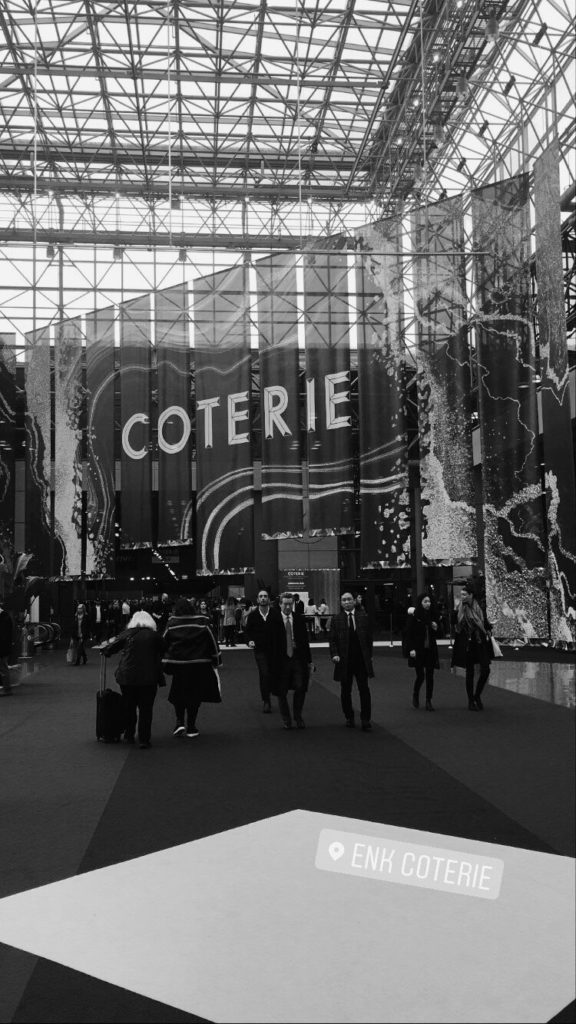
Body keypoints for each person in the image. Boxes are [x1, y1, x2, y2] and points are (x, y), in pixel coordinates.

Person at [101, 610, 165, 748]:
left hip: (127, 677)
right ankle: (144, 739)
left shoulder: (127, 633)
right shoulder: (155, 636)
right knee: (146, 709)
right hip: (149, 677)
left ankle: (129, 735)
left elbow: (109, 649)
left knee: (129, 706)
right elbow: (165, 650)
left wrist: (106, 651)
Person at [163, 597, 222, 738]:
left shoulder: (172, 622)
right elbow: (212, 641)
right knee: (195, 695)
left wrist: (163, 661)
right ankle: (191, 726)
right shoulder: (202, 621)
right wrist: (217, 659)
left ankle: (179, 722)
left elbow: (164, 641)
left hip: (179, 665)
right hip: (199, 664)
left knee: (178, 694)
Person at [329, 592, 374, 731]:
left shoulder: (363, 617)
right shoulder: (336, 619)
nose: (347, 602)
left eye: (349, 599)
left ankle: (365, 719)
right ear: (341, 603)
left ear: (354, 601)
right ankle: (349, 716)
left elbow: (369, 639)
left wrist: (370, 655)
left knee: (364, 690)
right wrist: (335, 654)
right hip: (344, 660)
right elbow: (332, 640)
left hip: (361, 660)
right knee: (345, 691)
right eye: (344, 600)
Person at [269, 592, 313, 729]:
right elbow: (270, 643)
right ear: (280, 604)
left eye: (290, 604)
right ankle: (286, 719)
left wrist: (309, 661)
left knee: (300, 687)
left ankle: (298, 716)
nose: (288, 607)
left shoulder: (299, 619)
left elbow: (305, 641)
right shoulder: (273, 620)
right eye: (285, 604)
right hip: (280, 660)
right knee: (281, 691)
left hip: (297, 658)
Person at [451, 582, 493, 711]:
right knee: (469, 672)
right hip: (467, 643)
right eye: (461, 594)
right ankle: (470, 701)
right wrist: (457, 614)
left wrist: (488, 628)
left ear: (471, 595)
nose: (462, 597)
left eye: (464, 594)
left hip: (479, 642)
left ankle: (477, 695)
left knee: (486, 670)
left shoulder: (479, 607)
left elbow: (484, 622)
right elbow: (455, 625)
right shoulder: (459, 608)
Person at [407, 593, 440, 711]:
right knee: (420, 675)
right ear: (420, 603)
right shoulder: (415, 616)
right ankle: (416, 694)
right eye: (425, 601)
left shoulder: (433, 615)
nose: (428, 604)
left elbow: (438, 634)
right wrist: (411, 649)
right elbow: (408, 634)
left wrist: (436, 628)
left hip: (430, 649)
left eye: (429, 601)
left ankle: (428, 700)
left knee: (430, 675)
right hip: (418, 649)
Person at [245, 588, 275, 713]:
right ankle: (266, 700)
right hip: (260, 650)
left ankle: (274, 694)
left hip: (274, 650)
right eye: (261, 596)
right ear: (257, 599)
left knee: (273, 674)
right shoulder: (252, 615)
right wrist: (249, 640)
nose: (263, 598)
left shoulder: (275, 614)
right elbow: (247, 632)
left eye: (265, 596)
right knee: (264, 673)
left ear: (268, 599)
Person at [0, 600, 17, 695]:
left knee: (3, 668)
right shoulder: (6, 617)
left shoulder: (4, 617)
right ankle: (7, 688)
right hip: (4, 647)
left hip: (2, 648)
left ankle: (7, 689)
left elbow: (4, 635)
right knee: (3, 667)